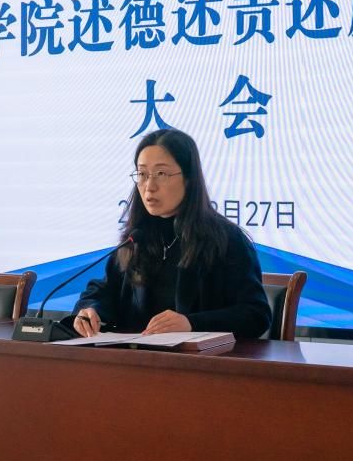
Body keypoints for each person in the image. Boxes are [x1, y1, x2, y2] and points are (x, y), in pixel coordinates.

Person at [71, 128, 272, 339]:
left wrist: (192, 324)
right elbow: (103, 292)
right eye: (142, 174)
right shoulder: (137, 237)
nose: (149, 186)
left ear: (189, 178)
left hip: (200, 358)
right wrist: (90, 310)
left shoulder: (225, 240)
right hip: (137, 355)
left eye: (161, 174)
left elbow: (255, 315)